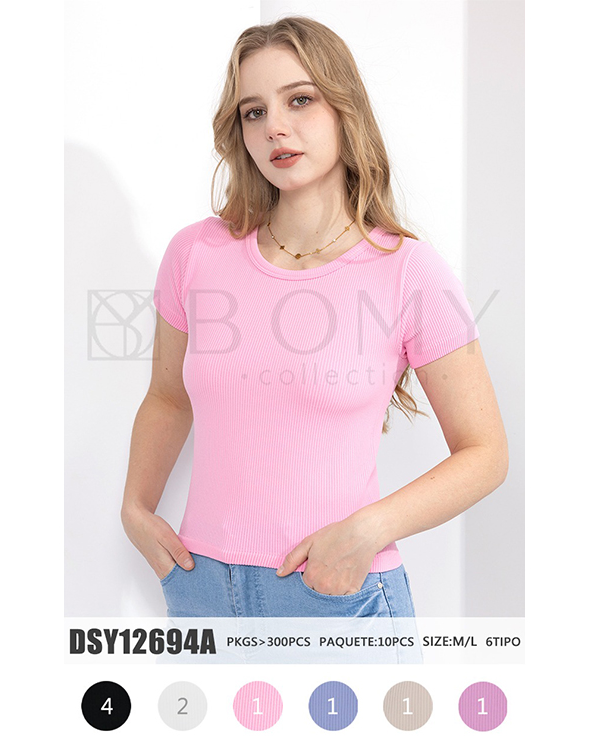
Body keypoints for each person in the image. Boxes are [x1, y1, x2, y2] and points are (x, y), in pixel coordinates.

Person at [121, 16, 508, 619]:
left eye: (299, 99)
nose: (274, 126)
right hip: (201, 590)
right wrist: (135, 508)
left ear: (344, 109)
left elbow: (485, 452)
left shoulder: (407, 270)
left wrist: (368, 529)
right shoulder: (197, 253)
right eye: (254, 111)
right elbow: (168, 399)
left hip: (335, 593)